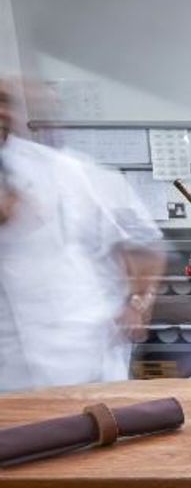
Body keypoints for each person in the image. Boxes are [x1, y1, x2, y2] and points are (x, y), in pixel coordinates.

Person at [0, 80, 165, 392]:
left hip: (83, 361)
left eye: (5, 102)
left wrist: (139, 301)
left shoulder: (67, 172)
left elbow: (143, 242)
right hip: (9, 377)